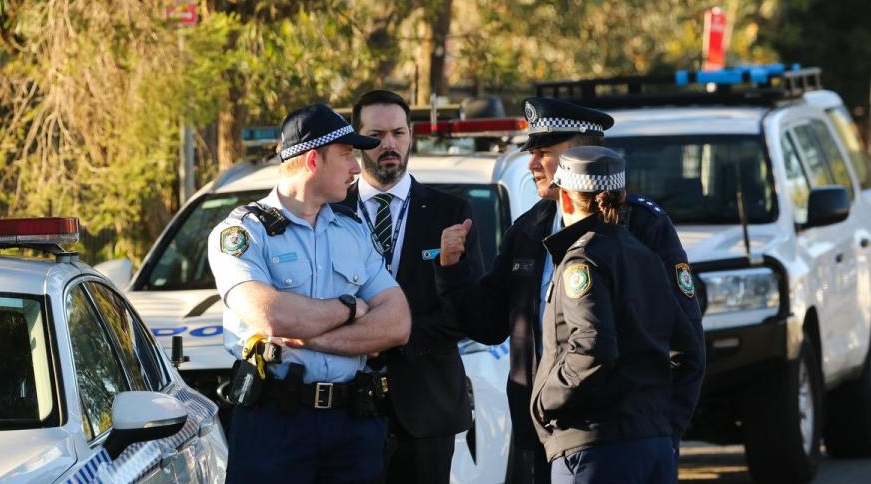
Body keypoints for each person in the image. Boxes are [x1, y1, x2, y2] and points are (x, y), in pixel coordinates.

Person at [435, 97, 706, 484]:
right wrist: (453, 271)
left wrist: (667, 429)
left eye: (543, 152)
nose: (531, 164)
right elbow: (488, 323)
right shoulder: (529, 230)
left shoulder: (645, 228)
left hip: (619, 442)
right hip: (546, 444)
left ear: (581, 155)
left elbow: (687, 344)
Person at [208, 103, 412, 483]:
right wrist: (352, 307)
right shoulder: (242, 233)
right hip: (274, 423)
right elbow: (271, 316)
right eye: (347, 154)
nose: (357, 167)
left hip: (351, 425)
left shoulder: (353, 230)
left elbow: (397, 323)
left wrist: (308, 334)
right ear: (313, 160)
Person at [334, 89, 485, 483]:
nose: (389, 145)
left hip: (426, 406)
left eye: (398, 133)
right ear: (355, 140)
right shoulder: (330, 213)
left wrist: (393, 337)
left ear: (411, 136)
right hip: (343, 407)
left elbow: (464, 312)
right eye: (377, 134)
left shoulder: (451, 213)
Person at [529, 145, 703, 483]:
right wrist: (663, 424)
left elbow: (592, 349)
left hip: (595, 448)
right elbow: (690, 351)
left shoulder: (581, 261)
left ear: (565, 199)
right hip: (652, 445)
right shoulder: (645, 255)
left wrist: (545, 399)